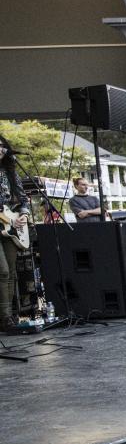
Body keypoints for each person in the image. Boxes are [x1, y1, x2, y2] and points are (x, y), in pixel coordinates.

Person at [0, 135, 30, 328]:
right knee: (2, 271)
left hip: (11, 227)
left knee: (11, 272)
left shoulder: (10, 172)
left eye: (3, 146)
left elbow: (23, 199)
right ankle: (3, 316)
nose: (1, 149)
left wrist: (23, 216)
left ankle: (8, 316)